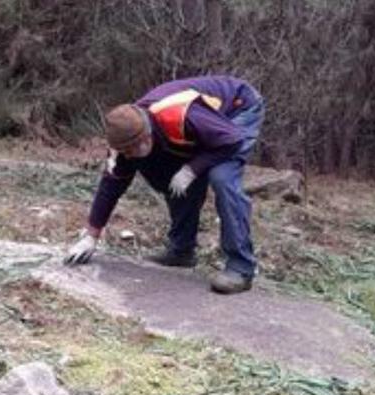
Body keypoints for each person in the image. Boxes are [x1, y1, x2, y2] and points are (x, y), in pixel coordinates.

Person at [63, 75, 264, 295]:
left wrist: (193, 169)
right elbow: (111, 185)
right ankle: (181, 250)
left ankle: (241, 267)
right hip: (207, 129)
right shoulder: (124, 140)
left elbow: (232, 139)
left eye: (133, 149)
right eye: (126, 152)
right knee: (168, 174)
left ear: (146, 135)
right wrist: (92, 234)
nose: (129, 156)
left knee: (222, 177)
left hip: (237, 108)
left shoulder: (179, 115)